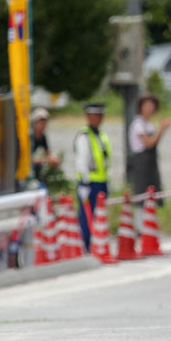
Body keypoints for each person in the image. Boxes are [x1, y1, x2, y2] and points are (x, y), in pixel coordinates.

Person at [74, 103, 112, 251]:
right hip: (89, 183)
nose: (98, 119)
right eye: (95, 116)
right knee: (86, 216)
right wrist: (84, 182)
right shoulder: (84, 135)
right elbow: (81, 160)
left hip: (102, 181)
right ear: (88, 117)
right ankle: (87, 246)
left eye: (100, 116)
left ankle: (99, 244)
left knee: (100, 216)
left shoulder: (101, 135)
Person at [129, 92, 171, 206]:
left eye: (152, 105)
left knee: (153, 195)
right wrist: (161, 129)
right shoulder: (138, 123)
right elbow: (149, 144)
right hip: (141, 163)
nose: (149, 108)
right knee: (142, 196)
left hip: (150, 164)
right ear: (140, 107)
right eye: (147, 105)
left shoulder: (148, 124)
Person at [30, 107, 62, 185]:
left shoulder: (43, 137)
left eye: (45, 122)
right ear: (34, 123)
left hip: (38, 173)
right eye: (40, 122)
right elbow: (28, 160)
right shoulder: (29, 137)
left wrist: (54, 159)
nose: (43, 125)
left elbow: (48, 153)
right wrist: (46, 160)